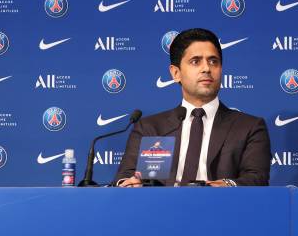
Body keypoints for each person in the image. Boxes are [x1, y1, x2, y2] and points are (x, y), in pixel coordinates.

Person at [115, 28, 271, 187]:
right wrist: (130, 184)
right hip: (161, 209)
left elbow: (256, 178)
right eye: (196, 61)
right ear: (176, 73)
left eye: (213, 61)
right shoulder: (150, 128)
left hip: (220, 207)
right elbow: (126, 176)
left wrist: (228, 185)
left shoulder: (249, 127)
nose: (207, 69)